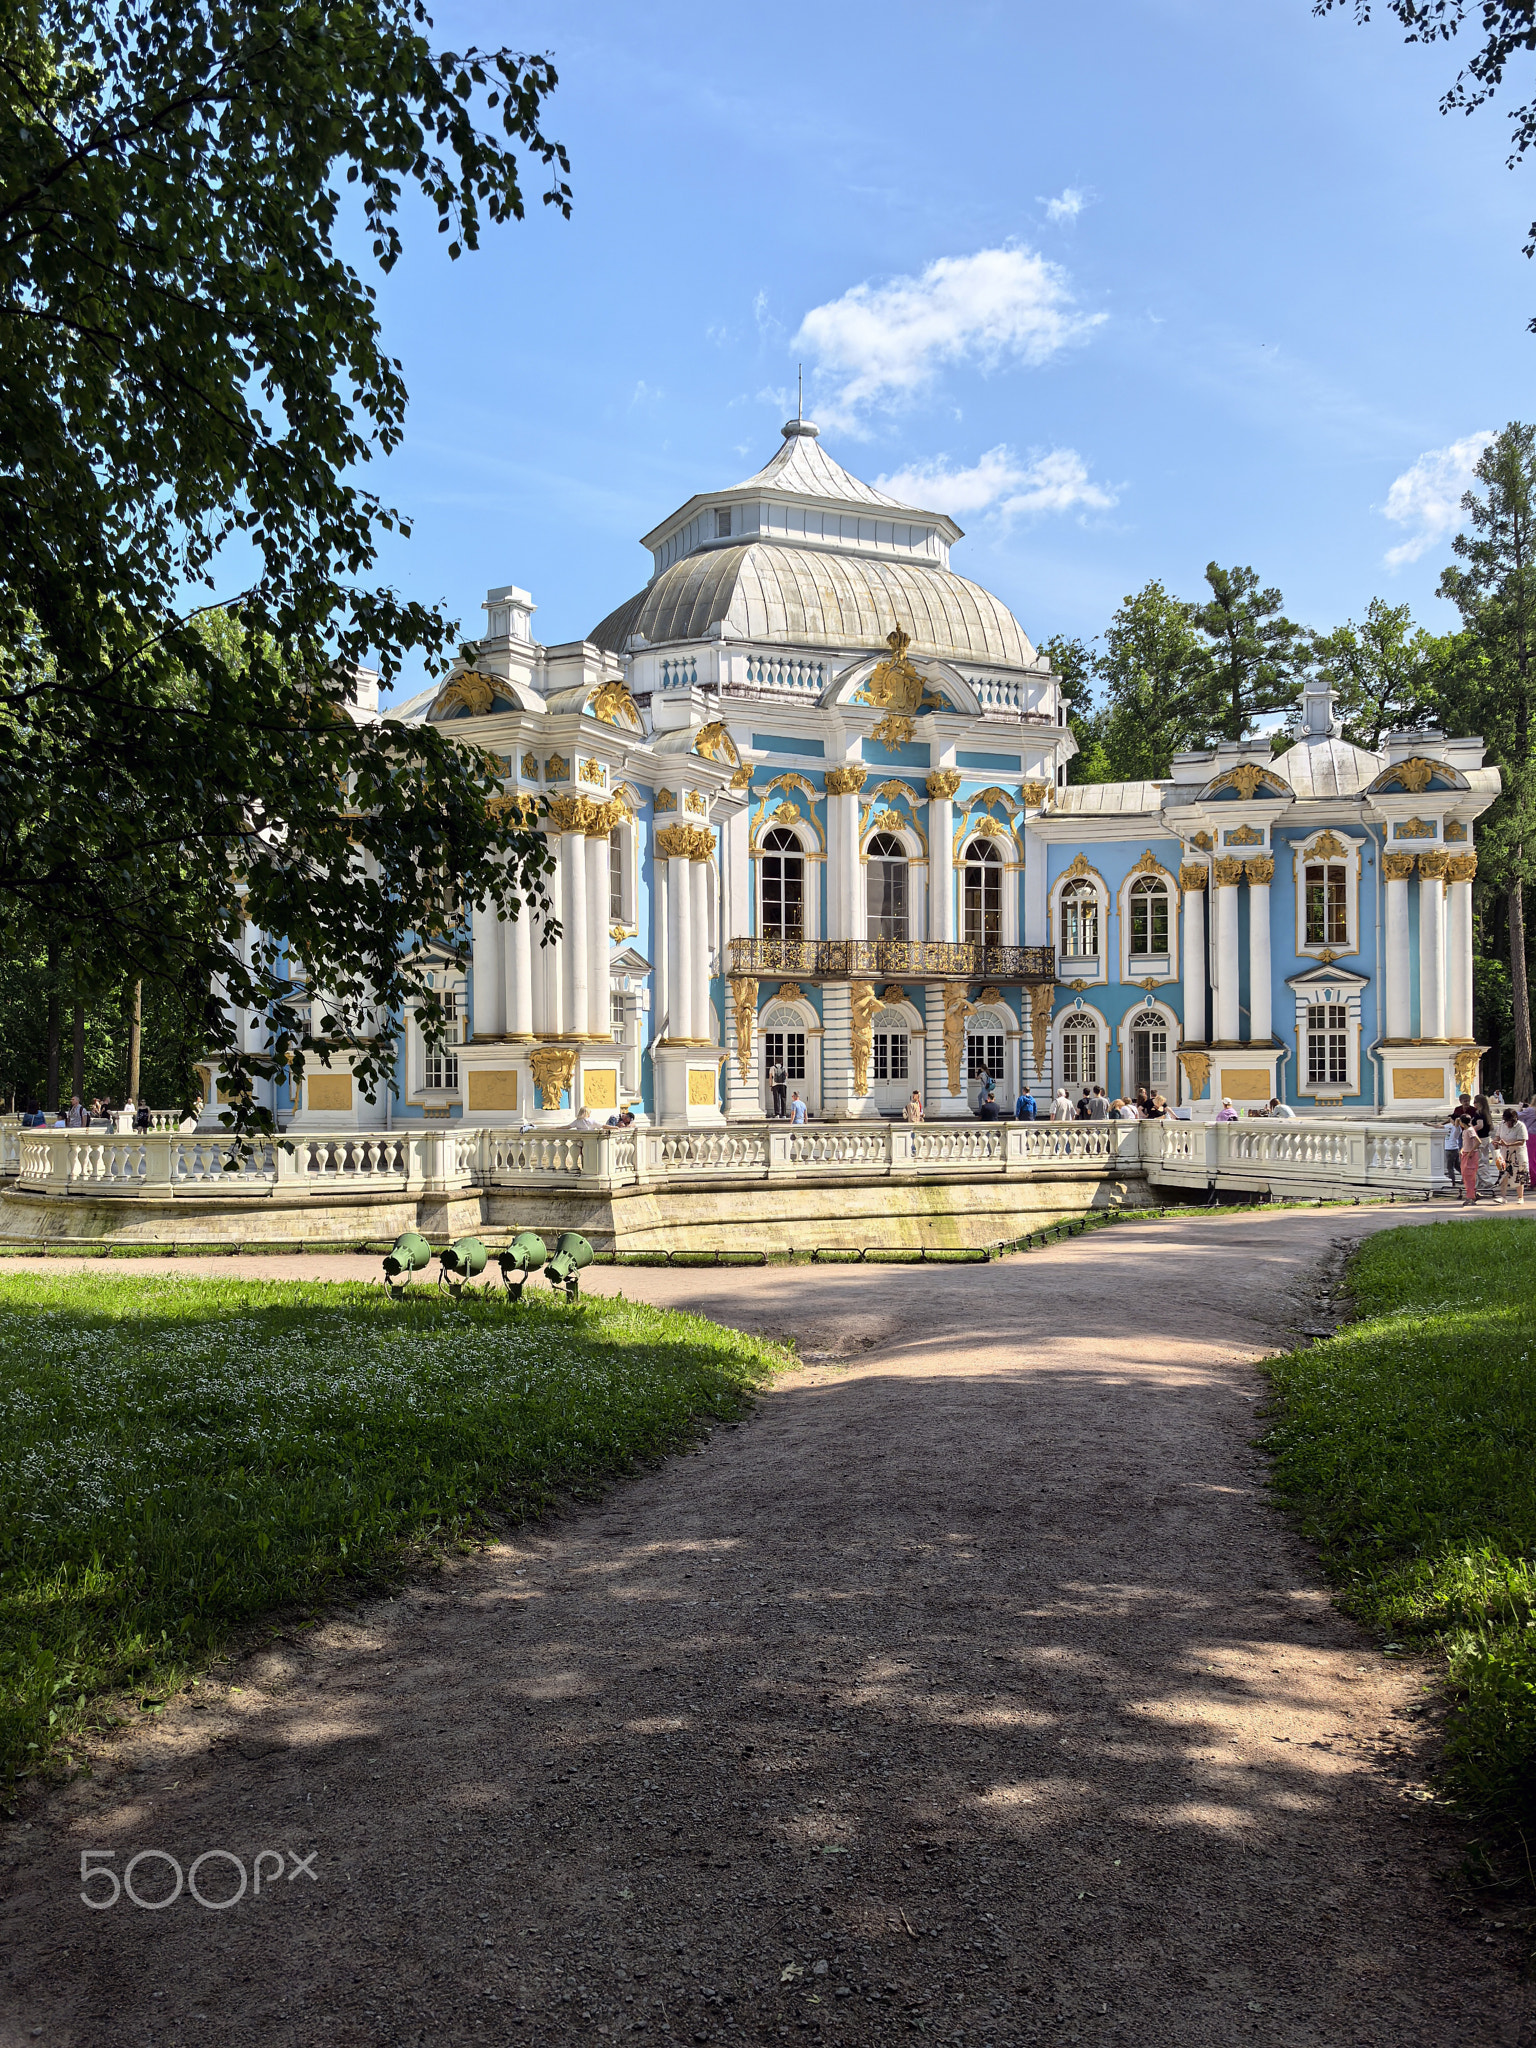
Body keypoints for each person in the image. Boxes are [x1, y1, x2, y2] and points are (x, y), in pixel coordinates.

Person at [1496, 1106, 1529, 1204]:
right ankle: (1503, 1196)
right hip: (1505, 1153)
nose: (1509, 1123)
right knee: (1503, 1174)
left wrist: (1508, 1144)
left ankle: (1520, 1197)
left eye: (1511, 1121)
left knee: (1518, 1174)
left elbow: (1522, 1141)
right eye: (1507, 1121)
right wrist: (1496, 1141)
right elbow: (1498, 1136)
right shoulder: (1501, 1125)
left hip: (1517, 1153)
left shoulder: (1520, 1126)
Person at [1460, 1114, 1482, 1206]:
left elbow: (1478, 1141)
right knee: (1465, 1175)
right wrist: (1462, 1150)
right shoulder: (1466, 1130)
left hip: (1470, 1155)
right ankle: (1472, 1194)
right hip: (1466, 1153)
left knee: (1469, 1176)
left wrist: (1471, 1152)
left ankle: (1471, 1197)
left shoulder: (1470, 1130)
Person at [1442, 1111, 1463, 1192]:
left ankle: (1452, 1181)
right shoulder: (1453, 1127)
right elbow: (1440, 1126)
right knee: (1457, 1165)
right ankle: (1465, 1177)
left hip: (1450, 1148)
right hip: (1453, 1148)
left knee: (1449, 1167)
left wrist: (1456, 1119)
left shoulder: (1456, 1128)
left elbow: (1456, 1122)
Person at [768, 1055, 788, 1121]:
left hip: (775, 1084)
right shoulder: (784, 1067)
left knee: (776, 1099)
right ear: (781, 1061)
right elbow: (786, 1075)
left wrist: (770, 1085)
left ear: (775, 1061)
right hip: (783, 1084)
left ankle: (777, 1114)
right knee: (783, 1099)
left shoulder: (772, 1068)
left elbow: (770, 1077)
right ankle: (784, 1114)